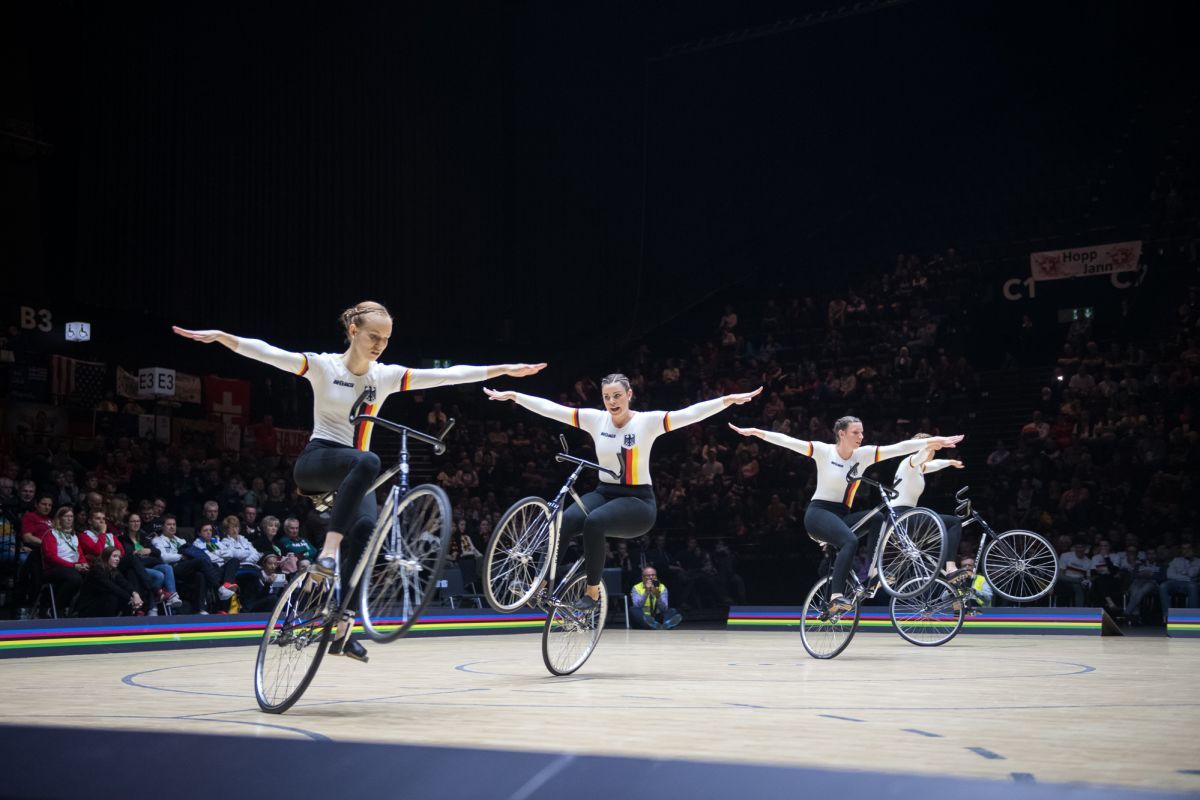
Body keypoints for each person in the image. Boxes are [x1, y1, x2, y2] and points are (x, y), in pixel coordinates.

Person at [175, 300, 545, 661]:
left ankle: (341, 629)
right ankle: (328, 554)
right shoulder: (323, 366)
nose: (379, 345)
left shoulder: (384, 376)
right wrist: (224, 337)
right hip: (317, 461)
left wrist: (504, 368)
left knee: (368, 530)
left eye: (385, 339)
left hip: (358, 474)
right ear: (353, 330)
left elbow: (449, 375)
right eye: (373, 336)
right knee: (368, 460)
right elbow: (269, 352)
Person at [486, 373, 761, 609]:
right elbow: (553, 409)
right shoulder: (596, 420)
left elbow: (689, 414)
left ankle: (592, 592)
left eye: (617, 396)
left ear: (629, 394)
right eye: (607, 397)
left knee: (594, 522)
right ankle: (542, 583)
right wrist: (515, 396)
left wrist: (727, 400)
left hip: (638, 503)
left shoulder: (647, 422)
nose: (612, 402)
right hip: (605, 492)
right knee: (565, 521)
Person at [728, 416, 963, 612]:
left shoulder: (864, 455)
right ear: (842, 433)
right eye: (856, 433)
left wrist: (935, 441)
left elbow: (900, 447)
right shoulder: (823, 451)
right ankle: (835, 596)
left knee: (878, 518)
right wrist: (757, 432)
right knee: (849, 540)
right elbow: (788, 441)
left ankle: (872, 573)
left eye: (861, 433)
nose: (861, 437)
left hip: (841, 516)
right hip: (818, 514)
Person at [889, 434, 967, 580]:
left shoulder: (918, 468)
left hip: (906, 517)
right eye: (931, 450)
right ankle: (950, 568)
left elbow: (934, 464)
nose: (933, 453)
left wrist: (950, 462)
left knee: (924, 549)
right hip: (901, 517)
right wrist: (930, 444)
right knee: (953, 523)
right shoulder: (909, 462)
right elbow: (920, 455)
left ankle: (889, 573)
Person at [76, 546, 144, 617]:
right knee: (113, 596)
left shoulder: (113, 570)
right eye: (115, 556)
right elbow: (112, 587)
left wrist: (135, 594)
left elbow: (125, 583)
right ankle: (109, 625)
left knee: (124, 598)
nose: (118, 559)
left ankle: (126, 624)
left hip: (102, 603)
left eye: (119, 557)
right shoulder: (96, 570)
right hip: (89, 606)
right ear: (106, 557)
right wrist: (132, 599)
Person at [41, 507, 87, 611]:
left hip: (73, 568)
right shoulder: (51, 534)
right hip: (54, 568)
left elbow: (80, 554)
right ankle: (56, 608)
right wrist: (73, 566)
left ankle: (79, 611)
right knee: (75, 578)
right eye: (66, 516)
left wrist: (84, 564)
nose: (69, 519)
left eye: (71, 516)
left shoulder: (74, 536)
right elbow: (51, 557)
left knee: (95, 576)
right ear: (59, 518)